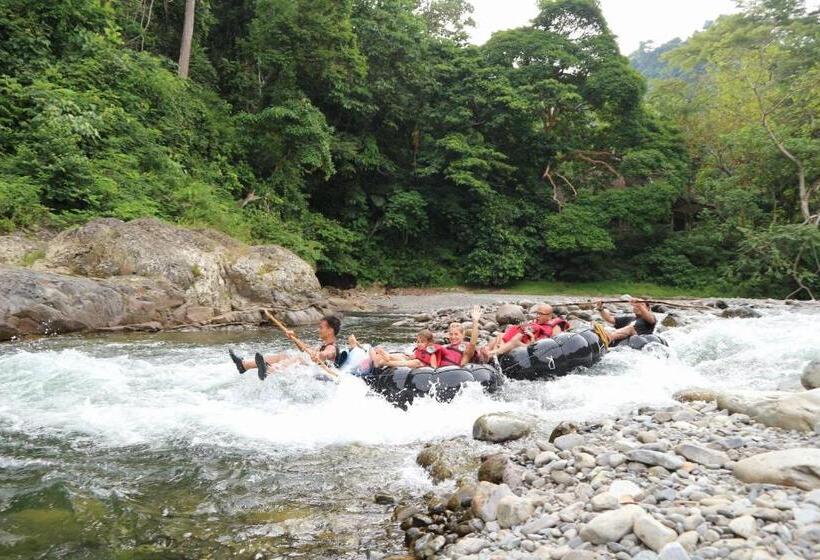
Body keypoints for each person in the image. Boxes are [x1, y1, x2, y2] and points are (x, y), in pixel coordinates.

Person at [228, 315, 342, 380]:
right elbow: (304, 348)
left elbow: (327, 354)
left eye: (321, 327)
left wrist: (320, 355)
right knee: (284, 356)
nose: (319, 330)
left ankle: (269, 371)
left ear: (330, 330)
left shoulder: (332, 347)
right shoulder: (323, 345)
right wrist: (294, 337)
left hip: (323, 376)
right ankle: (244, 365)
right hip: (313, 370)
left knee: (299, 359)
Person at [484, 303, 570, 357]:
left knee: (515, 340)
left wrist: (532, 338)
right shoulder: (535, 322)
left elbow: (551, 344)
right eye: (537, 313)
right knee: (500, 335)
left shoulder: (555, 326)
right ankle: (485, 352)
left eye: (541, 314)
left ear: (549, 316)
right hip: (524, 342)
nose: (537, 316)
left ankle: (492, 355)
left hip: (532, 347)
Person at [369, 329, 443, 369]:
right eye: (418, 342)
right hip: (412, 363)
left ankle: (384, 363)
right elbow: (415, 356)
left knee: (416, 362)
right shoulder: (419, 350)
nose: (419, 344)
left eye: (422, 342)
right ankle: (387, 356)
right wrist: (411, 356)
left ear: (429, 343)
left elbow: (434, 366)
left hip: (421, 365)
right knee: (403, 356)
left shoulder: (431, 352)